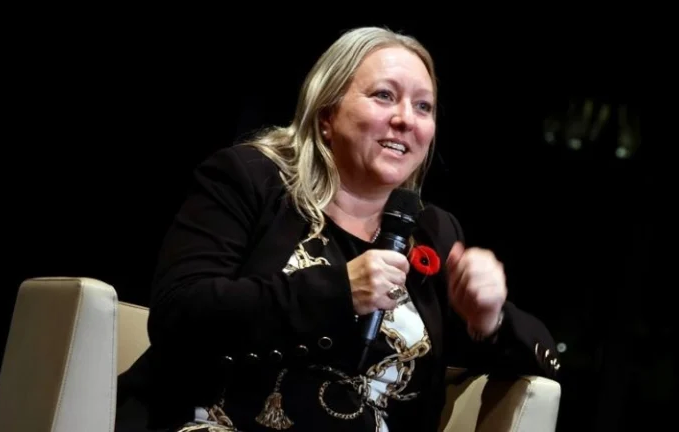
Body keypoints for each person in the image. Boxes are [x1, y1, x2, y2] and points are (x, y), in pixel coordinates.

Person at [137, 26, 561, 432]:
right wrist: (339, 291)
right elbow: (178, 315)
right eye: (384, 96)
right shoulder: (250, 179)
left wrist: (489, 320)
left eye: (423, 106)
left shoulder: (433, 230)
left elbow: (534, 369)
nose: (406, 119)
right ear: (327, 114)